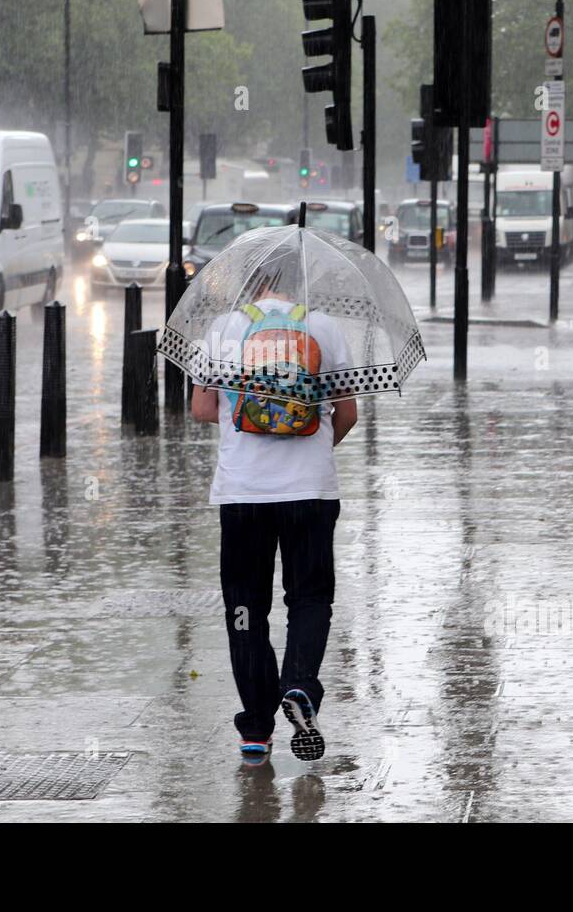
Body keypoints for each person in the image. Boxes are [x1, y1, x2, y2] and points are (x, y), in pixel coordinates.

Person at [190, 260, 358, 765]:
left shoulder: (223, 329)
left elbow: (201, 409)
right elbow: (347, 412)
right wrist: (317, 452)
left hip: (242, 495)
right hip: (310, 492)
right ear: (300, 284)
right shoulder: (323, 327)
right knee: (309, 598)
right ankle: (300, 686)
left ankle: (256, 731)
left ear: (251, 283)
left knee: (246, 609)